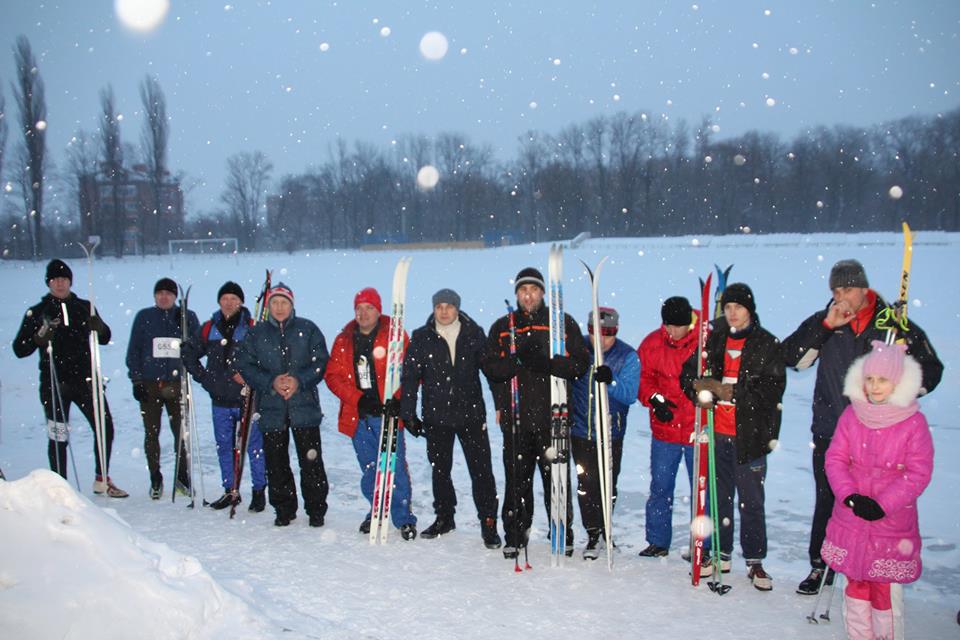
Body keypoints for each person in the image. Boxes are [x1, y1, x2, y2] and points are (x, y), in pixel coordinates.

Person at [782, 259, 943, 595]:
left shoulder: (892, 324)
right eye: (836, 290)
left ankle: (872, 566)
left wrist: (900, 389)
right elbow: (792, 358)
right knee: (829, 499)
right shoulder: (826, 322)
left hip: (884, 434)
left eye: (848, 289)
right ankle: (821, 564)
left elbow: (931, 370)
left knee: (879, 505)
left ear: (864, 289)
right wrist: (826, 326)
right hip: (832, 429)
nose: (842, 296)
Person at [821, 341, 933, 639]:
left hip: (890, 523)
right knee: (855, 589)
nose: (874, 386)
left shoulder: (913, 422)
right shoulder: (852, 414)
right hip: (852, 518)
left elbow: (918, 472)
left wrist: (883, 504)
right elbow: (835, 459)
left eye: (882, 379)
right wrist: (849, 495)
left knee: (884, 593)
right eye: (870, 379)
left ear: (897, 381)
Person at [681, 283, 785, 591]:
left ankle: (755, 561)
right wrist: (698, 389)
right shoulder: (713, 340)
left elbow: (772, 389)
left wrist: (731, 392)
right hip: (716, 433)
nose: (732, 314)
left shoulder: (765, 344)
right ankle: (720, 554)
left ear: (749, 310)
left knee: (751, 502)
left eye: (737, 308)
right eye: (727, 308)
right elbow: (688, 375)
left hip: (750, 437)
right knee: (719, 499)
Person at [481, 267, 590, 559]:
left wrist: (551, 364)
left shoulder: (562, 324)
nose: (528, 296)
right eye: (523, 291)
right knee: (516, 480)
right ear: (517, 294)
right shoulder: (503, 327)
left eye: (533, 290)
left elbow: (581, 364)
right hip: (517, 419)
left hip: (552, 418)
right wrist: (516, 361)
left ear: (543, 293)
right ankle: (515, 535)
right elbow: (490, 368)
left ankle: (561, 533)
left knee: (556, 480)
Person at [13, 259, 128, 497]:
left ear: (70, 281)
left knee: (104, 427)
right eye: (55, 280)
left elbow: (105, 338)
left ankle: (101, 478)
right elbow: (19, 349)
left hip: (86, 381)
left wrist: (100, 326)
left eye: (64, 279)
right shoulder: (38, 311)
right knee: (59, 436)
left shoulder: (84, 306)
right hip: (54, 383)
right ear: (48, 282)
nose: (60, 284)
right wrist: (39, 336)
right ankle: (60, 487)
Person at [400, 288, 501, 548]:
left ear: (457, 308)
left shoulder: (473, 333)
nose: (444, 311)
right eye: (439, 307)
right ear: (434, 309)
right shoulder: (422, 337)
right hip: (437, 417)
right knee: (439, 471)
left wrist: (501, 404)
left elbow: (490, 371)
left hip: (471, 415)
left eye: (449, 306)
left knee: (482, 472)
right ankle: (445, 517)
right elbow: (410, 377)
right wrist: (408, 413)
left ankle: (488, 522)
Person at [325, 287, 418, 540]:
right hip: (358, 416)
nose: (364, 313)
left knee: (394, 466)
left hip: (387, 415)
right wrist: (358, 399)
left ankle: (403, 517)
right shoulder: (344, 340)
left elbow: (410, 372)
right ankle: (377, 509)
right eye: (359, 309)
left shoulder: (395, 336)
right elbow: (332, 376)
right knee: (370, 468)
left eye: (369, 308)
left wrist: (398, 401)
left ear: (379, 310)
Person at [234, 283, 330, 527]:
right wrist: (271, 382)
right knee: (276, 463)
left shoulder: (308, 329)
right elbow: (245, 365)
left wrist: (299, 381)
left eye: (284, 303)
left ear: (292, 304)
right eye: (275, 303)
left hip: (304, 407)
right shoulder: (256, 334)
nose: (279, 307)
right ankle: (284, 509)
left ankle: (316, 509)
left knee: (311, 461)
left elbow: (320, 363)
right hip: (271, 408)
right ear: (268, 306)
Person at [182, 281, 267, 512]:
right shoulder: (210, 328)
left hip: (247, 398)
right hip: (219, 399)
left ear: (241, 302)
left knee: (253, 446)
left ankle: (259, 490)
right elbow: (188, 352)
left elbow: (265, 359)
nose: (229, 303)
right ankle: (230, 490)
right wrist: (205, 377)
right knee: (224, 446)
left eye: (234, 299)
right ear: (219, 301)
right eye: (225, 299)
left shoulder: (252, 326)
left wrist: (250, 376)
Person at [569, 306, 639, 559]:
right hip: (580, 431)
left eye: (607, 332)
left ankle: (607, 530)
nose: (601, 338)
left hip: (611, 434)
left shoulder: (627, 356)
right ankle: (593, 534)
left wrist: (610, 381)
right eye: (594, 331)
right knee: (585, 486)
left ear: (616, 331)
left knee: (607, 486)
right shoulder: (579, 351)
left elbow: (630, 394)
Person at [126, 277, 199, 499]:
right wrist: (137, 380)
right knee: (152, 433)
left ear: (175, 297)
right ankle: (155, 477)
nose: (164, 297)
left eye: (168, 293)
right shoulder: (144, 317)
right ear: (155, 296)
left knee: (181, 433)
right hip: (150, 383)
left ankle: (182, 477)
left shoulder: (186, 316)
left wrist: (190, 347)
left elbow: (198, 346)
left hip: (177, 383)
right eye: (160, 293)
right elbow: (134, 350)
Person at [636, 296, 698, 558]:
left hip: (698, 431)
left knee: (701, 491)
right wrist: (654, 399)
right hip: (666, 430)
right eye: (668, 325)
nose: (671, 332)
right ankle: (658, 541)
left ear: (689, 323)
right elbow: (643, 378)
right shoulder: (652, 343)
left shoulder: (704, 341)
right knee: (661, 488)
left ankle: (703, 545)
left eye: (677, 326)